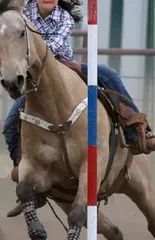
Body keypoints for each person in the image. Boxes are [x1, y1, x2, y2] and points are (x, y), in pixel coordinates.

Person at [3, 0, 155, 218]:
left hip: (65, 68)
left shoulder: (63, 17)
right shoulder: (23, 14)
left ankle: (136, 129)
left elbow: (49, 49)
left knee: (108, 74)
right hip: (37, 81)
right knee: (10, 123)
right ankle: (24, 166)